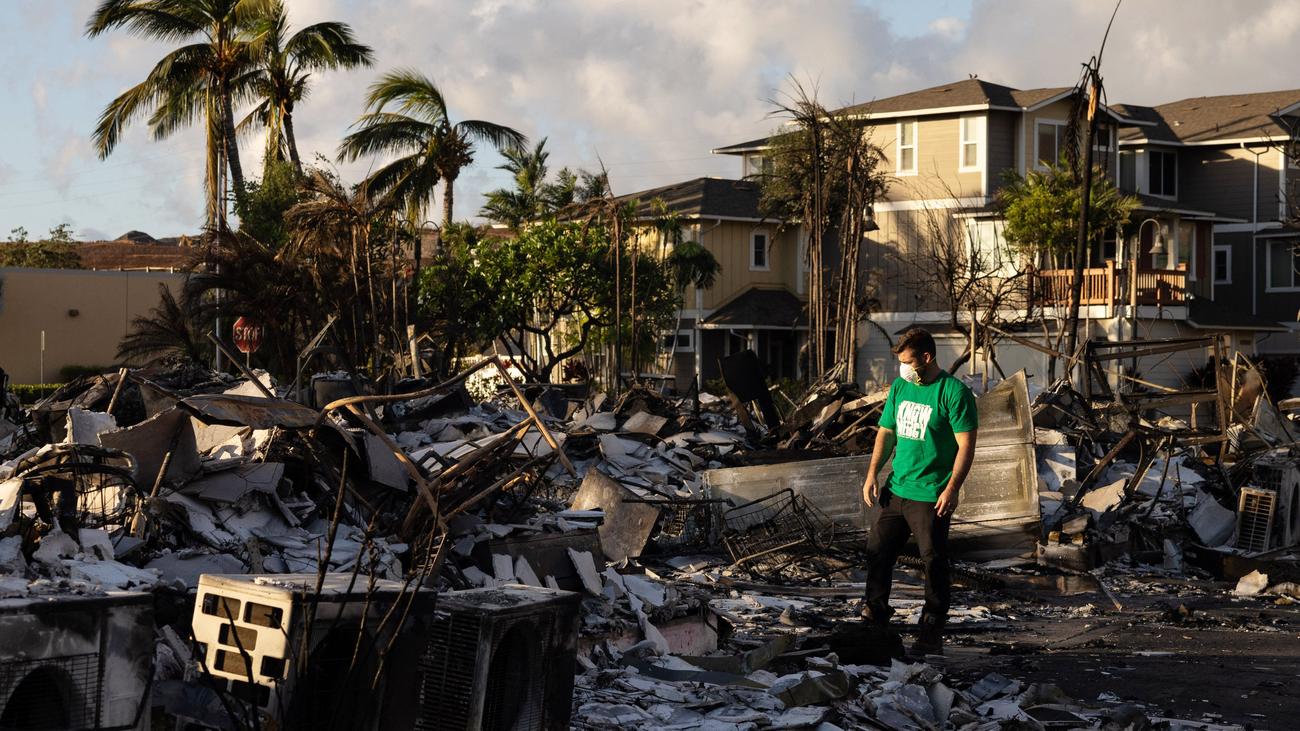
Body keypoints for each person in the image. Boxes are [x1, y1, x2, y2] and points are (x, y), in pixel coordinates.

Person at [861, 327, 978, 655]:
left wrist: (952, 488)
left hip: (931, 494)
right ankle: (875, 615)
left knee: (933, 561)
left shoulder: (953, 392)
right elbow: (886, 434)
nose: (904, 368)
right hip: (896, 489)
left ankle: (931, 628)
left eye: (908, 362)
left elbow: (966, 447)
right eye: (901, 362)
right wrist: (872, 473)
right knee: (877, 552)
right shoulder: (900, 387)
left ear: (926, 358)